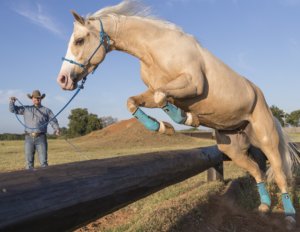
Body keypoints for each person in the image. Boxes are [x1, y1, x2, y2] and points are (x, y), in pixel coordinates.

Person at [9, 90, 60, 170]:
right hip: (28, 138)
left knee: (43, 162)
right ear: (32, 99)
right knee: (29, 163)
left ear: (41, 99)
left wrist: (56, 129)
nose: (37, 99)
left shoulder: (47, 110)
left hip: (41, 138)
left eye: (39, 98)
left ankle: (47, 181)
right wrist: (12, 102)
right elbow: (13, 110)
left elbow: (53, 120)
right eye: (35, 98)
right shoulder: (26, 109)